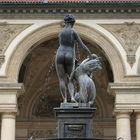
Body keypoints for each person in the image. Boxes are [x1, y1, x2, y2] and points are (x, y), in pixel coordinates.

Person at [55, 14, 92, 103]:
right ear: (73, 23)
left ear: (65, 22)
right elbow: (81, 45)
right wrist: (89, 53)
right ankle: (72, 97)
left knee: (61, 79)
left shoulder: (60, 32)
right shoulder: (73, 32)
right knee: (70, 79)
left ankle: (64, 100)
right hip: (69, 55)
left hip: (59, 54)